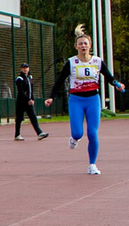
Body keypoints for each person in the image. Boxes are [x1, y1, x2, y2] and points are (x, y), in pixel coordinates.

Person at [51, 27, 120, 175]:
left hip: (93, 99)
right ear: (76, 46)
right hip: (76, 99)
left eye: (85, 43)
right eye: (80, 43)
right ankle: (74, 138)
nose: (83, 46)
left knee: (92, 133)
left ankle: (92, 164)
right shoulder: (71, 62)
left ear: (90, 46)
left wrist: (117, 85)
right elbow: (60, 80)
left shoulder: (97, 61)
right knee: (77, 133)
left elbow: (109, 77)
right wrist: (51, 96)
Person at [12, 64, 47, 141]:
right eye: (24, 68)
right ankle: (17, 135)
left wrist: (32, 99)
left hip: (29, 102)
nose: (25, 69)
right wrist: (28, 99)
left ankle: (39, 133)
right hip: (21, 102)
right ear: (21, 69)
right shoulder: (19, 79)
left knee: (33, 116)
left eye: (26, 68)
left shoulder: (30, 77)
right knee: (19, 118)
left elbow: (31, 90)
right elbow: (21, 91)